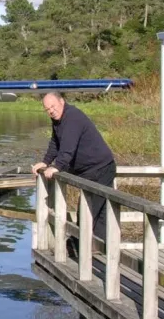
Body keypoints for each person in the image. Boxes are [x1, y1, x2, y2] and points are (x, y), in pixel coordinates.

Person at [32, 92, 116, 242]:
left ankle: (85, 246)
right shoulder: (58, 120)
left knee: (90, 211)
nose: (51, 111)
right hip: (89, 170)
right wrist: (45, 162)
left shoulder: (72, 118)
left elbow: (68, 147)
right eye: (47, 109)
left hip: (101, 167)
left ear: (62, 102)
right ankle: (94, 248)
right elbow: (55, 143)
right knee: (95, 211)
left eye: (53, 106)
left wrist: (57, 166)